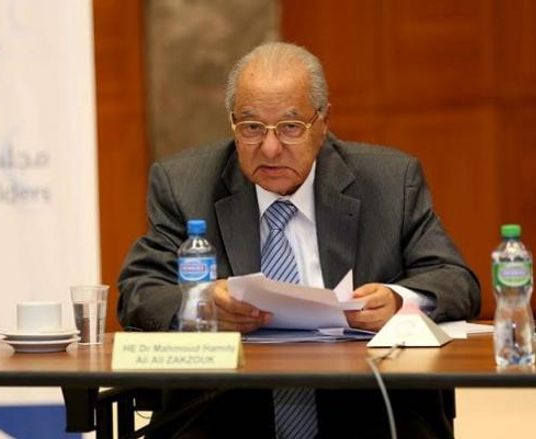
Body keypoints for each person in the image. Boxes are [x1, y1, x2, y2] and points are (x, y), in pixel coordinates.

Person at [117, 42, 480, 438]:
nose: (270, 148)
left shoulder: (390, 182)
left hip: (367, 410)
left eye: (290, 127)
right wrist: (202, 304)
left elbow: (455, 280)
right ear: (232, 124)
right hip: (224, 413)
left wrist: (397, 302)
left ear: (322, 122)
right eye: (252, 128)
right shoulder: (184, 185)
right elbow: (139, 291)